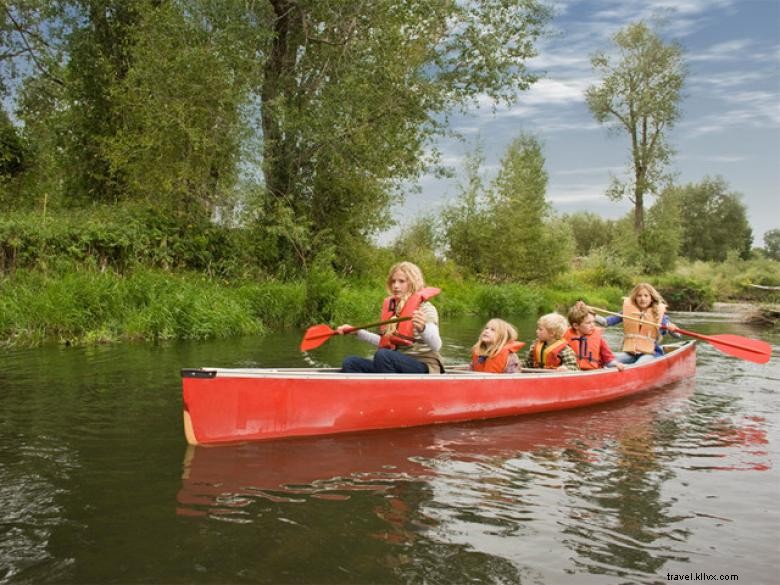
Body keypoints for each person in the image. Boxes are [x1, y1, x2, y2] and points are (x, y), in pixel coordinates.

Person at [337, 261, 444, 374]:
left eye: (401, 281)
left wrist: (423, 328)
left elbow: (437, 345)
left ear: (413, 283)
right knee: (351, 362)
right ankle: (370, 390)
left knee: (383, 356)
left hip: (424, 366)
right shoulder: (394, 309)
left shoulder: (426, 309)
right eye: (393, 281)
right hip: (396, 363)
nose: (395, 286)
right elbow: (385, 341)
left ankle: (389, 390)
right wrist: (357, 332)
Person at [597, 282, 680, 365]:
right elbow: (606, 322)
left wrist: (672, 330)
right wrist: (591, 315)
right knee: (608, 362)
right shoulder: (627, 312)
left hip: (651, 354)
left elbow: (678, 335)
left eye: (646, 296)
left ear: (651, 298)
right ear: (635, 298)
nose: (642, 299)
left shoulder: (659, 315)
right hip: (631, 354)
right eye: (639, 296)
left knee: (638, 365)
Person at [565, 302, 625, 371]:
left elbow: (608, 360)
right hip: (573, 371)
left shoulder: (599, 339)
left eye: (593, 322)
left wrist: (616, 364)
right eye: (588, 323)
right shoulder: (566, 338)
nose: (592, 325)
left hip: (593, 371)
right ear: (576, 326)